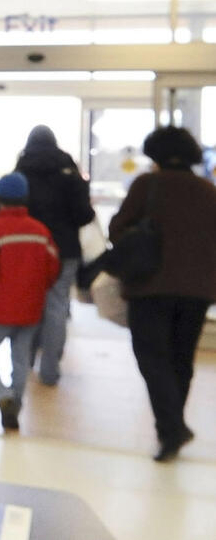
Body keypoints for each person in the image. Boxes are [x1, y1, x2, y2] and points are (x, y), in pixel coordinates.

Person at [110, 126, 216, 462]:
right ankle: (172, 428)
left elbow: (117, 229)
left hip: (150, 285)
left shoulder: (147, 185)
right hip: (197, 290)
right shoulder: (207, 190)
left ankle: (172, 428)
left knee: (152, 357)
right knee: (181, 359)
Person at [0, 172, 60, 431]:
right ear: (25, 200)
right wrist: (40, 289)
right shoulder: (41, 232)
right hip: (30, 308)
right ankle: (15, 406)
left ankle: (2, 397)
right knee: (21, 358)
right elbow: (53, 267)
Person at [14, 124, 96, 385]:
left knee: (29, 303)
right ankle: (50, 371)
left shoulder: (22, 169)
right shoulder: (69, 170)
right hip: (64, 249)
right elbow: (84, 214)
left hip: (29, 248)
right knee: (57, 305)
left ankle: (24, 362)